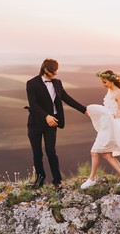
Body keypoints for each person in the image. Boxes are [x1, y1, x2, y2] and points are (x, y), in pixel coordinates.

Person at [26, 58, 87, 189]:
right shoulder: (31, 83)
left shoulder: (57, 83)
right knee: (37, 153)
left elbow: (67, 98)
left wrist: (84, 110)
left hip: (52, 123)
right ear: (46, 70)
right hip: (35, 123)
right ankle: (39, 180)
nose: (56, 74)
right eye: (53, 72)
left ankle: (57, 181)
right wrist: (46, 116)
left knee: (51, 151)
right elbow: (33, 104)